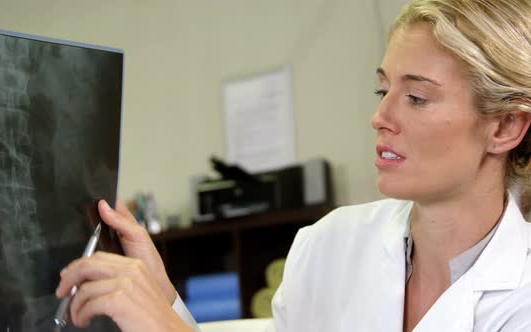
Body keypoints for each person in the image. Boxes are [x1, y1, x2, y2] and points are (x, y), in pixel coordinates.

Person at [56, 0, 531, 331]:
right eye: (382, 91)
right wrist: (163, 297)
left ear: (506, 126)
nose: (381, 117)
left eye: (417, 97)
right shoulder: (328, 246)